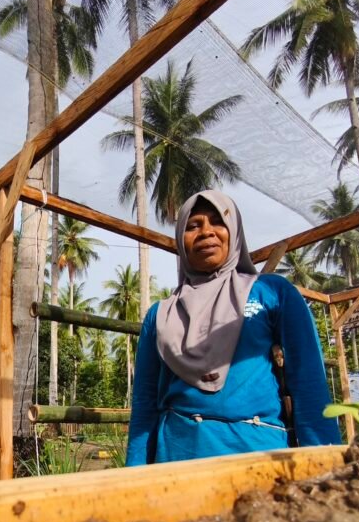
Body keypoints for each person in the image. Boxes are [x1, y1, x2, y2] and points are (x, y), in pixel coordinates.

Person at [127, 190, 340, 466]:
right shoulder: (160, 315)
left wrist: (327, 468)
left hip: (258, 457)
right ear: (181, 239)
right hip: (176, 461)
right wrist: (135, 472)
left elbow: (309, 386)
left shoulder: (272, 293)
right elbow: (145, 404)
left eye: (218, 222)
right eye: (193, 226)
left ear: (235, 232)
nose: (206, 232)